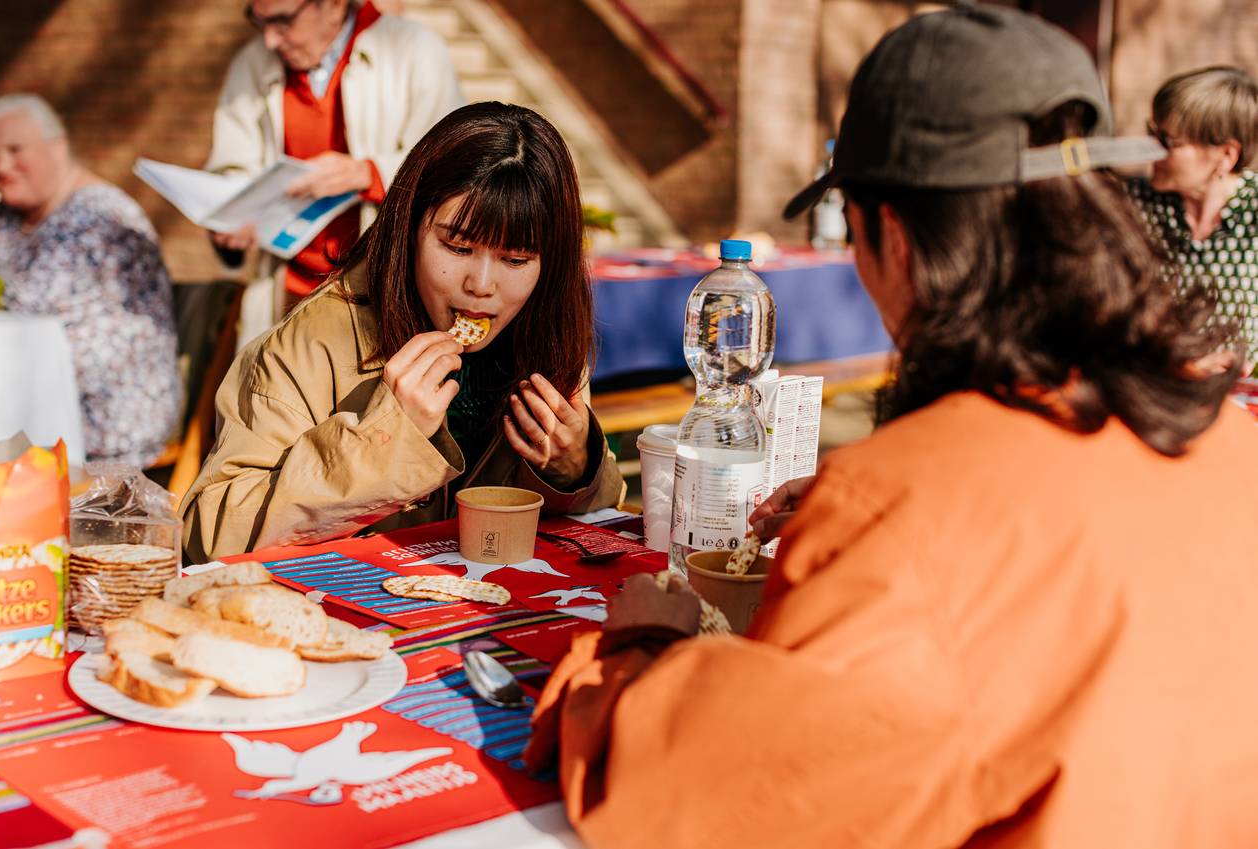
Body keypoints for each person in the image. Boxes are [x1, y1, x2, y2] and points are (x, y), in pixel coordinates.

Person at [525, 7, 1258, 848]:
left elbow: (693, 792)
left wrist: (640, 643)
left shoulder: (908, 508)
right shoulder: (1229, 437)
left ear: (893, 237)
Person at [180, 102, 624, 562]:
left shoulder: (542, 332)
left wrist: (574, 471)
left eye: (516, 260)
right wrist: (385, 440)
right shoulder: (311, 343)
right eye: (457, 246)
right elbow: (209, 538)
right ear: (409, 227)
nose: (482, 285)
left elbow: (590, 531)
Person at [207, 0, 463, 340]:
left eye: (283, 20)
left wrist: (369, 174)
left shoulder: (415, 50)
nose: (269, 40)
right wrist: (229, 219)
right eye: (259, 21)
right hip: (288, 296)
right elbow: (231, 166)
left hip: (380, 298)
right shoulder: (252, 63)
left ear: (333, 5)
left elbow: (456, 166)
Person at [0, 94, 181, 467]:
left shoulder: (102, 218)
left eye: (15, 149)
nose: (0, 166)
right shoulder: (4, 218)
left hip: (103, 418)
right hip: (25, 408)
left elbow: (22, 313)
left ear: (57, 146)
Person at [1127, 66, 1258, 351]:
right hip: (1153, 380)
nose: (1150, 149)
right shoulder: (1135, 202)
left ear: (1226, 155)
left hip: (1238, 389)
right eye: (1152, 133)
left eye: (1168, 142)